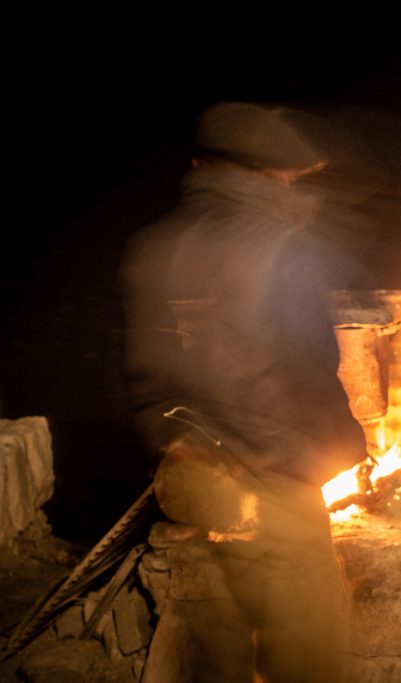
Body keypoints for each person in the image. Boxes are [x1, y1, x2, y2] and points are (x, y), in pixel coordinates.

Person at [121, 101, 369, 682]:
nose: (298, 180)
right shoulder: (282, 247)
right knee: (305, 647)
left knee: (219, 645)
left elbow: (144, 370)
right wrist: (342, 450)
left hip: (192, 475)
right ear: (266, 171)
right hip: (274, 474)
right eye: (292, 172)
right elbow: (306, 368)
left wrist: (178, 448)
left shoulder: (154, 244)